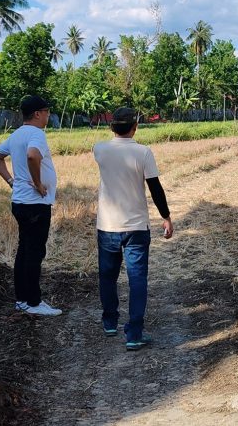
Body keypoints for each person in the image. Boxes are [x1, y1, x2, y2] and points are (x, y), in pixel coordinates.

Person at [93, 107, 174, 350]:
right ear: (135, 126)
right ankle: (134, 333)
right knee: (137, 279)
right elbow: (155, 188)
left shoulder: (99, 149)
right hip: (136, 226)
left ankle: (109, 322)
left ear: (111, 127)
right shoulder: (143, 153)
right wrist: (166, 216)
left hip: (107, 225)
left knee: (107, 276)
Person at [0, 95, 61, 317]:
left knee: (24, 251)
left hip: (20, 202)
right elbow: (32, 156)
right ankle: (33, 302)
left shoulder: (16, 134)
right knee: (34, 253)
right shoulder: (36, 134)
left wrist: (12, 181)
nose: (48, 115)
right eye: (47, 111)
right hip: (34, 205)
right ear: (38, 114)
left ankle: (22, 299)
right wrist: (39, 184)